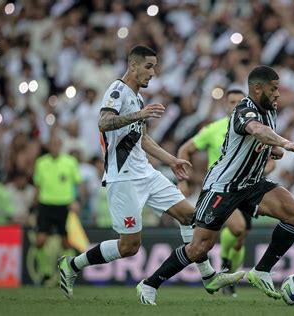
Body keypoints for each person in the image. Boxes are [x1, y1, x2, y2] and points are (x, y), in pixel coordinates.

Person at [57, 45, 242, 300]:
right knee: (129, 247)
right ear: (133, 65)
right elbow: (104, 122)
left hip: (147, 173)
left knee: (191, 216)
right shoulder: (117, 90)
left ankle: (208, 276)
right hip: (123, 179)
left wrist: (172, 160)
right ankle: (73, 265)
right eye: (148, 66)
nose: (153, 72)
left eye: (154, 66)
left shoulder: (137, 96)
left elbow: (142, 138)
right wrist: (139, 114)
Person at [137, 65, 294, 305]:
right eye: (273, 89)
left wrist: (274, 149)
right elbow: (257, 131)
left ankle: (261, 271)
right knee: (199, 248)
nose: (278, 94)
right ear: (257, 89)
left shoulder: (270, 110)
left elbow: (261, 138)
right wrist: (286, 143)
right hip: (223, 187)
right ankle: (149, 284)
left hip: (252, 184)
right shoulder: (243, 110)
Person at [178, 88, 275, 297]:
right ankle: (224, 264)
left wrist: (263, 169)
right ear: (225, 105)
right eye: (231, 102)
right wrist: (183, 181)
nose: (235, 106)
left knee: (242, 236)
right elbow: (185, 149)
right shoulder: (214, 129)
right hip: (222, 190)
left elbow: (270, 158)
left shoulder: (256, 127)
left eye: (239, 102)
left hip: (248, 188)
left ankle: (229, 274)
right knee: (238, 228)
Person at [33, 136, 83, 283]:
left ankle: (67, 273)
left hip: (65, 205)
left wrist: (77, 201)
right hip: (45, 205)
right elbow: (37, 185)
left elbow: (77, 184)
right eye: (52, 143)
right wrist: (33, 206)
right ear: (48, 146)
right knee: (40, 241)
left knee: (66, 242)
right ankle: (46, 272)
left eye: (57, 143)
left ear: (61, 144)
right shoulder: (41, 163)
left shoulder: (70, 162)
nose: (54, 146)